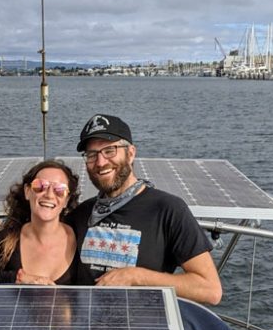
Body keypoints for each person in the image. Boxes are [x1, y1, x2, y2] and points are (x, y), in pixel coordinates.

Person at [67, 114, 222, 305]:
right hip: (86, 328)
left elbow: (210, 290)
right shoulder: (81, 214)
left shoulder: (168, 209)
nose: (100, 162)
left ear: (130, 153)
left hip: (143, 329)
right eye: (92, 155)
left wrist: (136, 277)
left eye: (109, 150)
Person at [0, 159, 80, 285]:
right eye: (40, 186)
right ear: (27, 191)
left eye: (59, 190)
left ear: (66, 200)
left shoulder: (81, 238)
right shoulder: (6, 241)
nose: (49, 195)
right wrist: (17, 278)